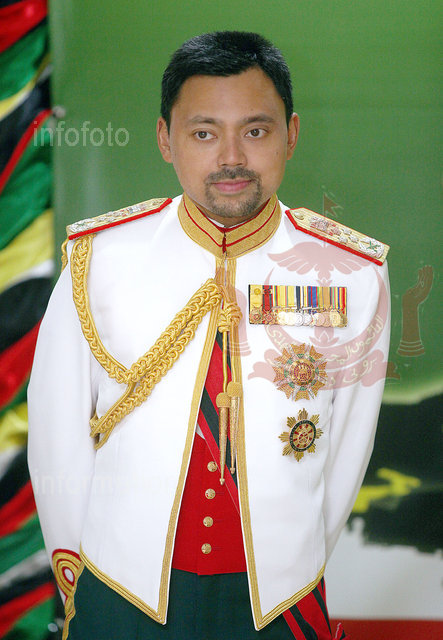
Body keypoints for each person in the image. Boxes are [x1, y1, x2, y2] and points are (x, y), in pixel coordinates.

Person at [28, 31, 390, 639]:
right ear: (165, 139)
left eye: (255, 131)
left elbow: (346, 451)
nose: (231, 157)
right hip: (121, 589)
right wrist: (81, 577)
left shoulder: (351, 273)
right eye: (203, 133)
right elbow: (56, 434)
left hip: (276, 601)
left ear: (291, 135)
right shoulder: (101, 258)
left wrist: (293, 568)